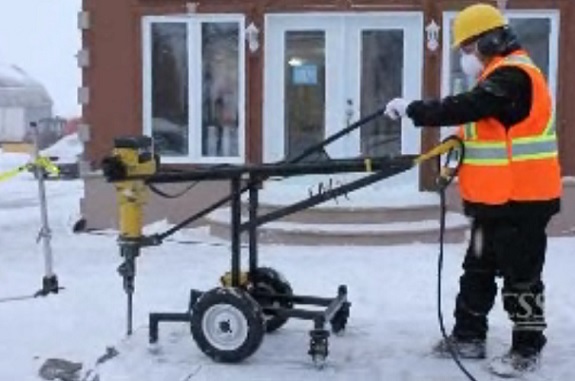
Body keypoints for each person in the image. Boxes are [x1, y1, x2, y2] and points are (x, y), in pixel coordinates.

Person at [384, 3, 562, 375]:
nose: (465, 58)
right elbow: (483, 129)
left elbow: (470, 106)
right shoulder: (495, 75)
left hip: (522, 202)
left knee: (521, 277)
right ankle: (468, 335)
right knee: (478, 268)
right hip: (490, 203)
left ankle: (527, 348)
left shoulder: (514, 76)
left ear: (490, 40)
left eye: (467, 49)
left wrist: (415, 110)